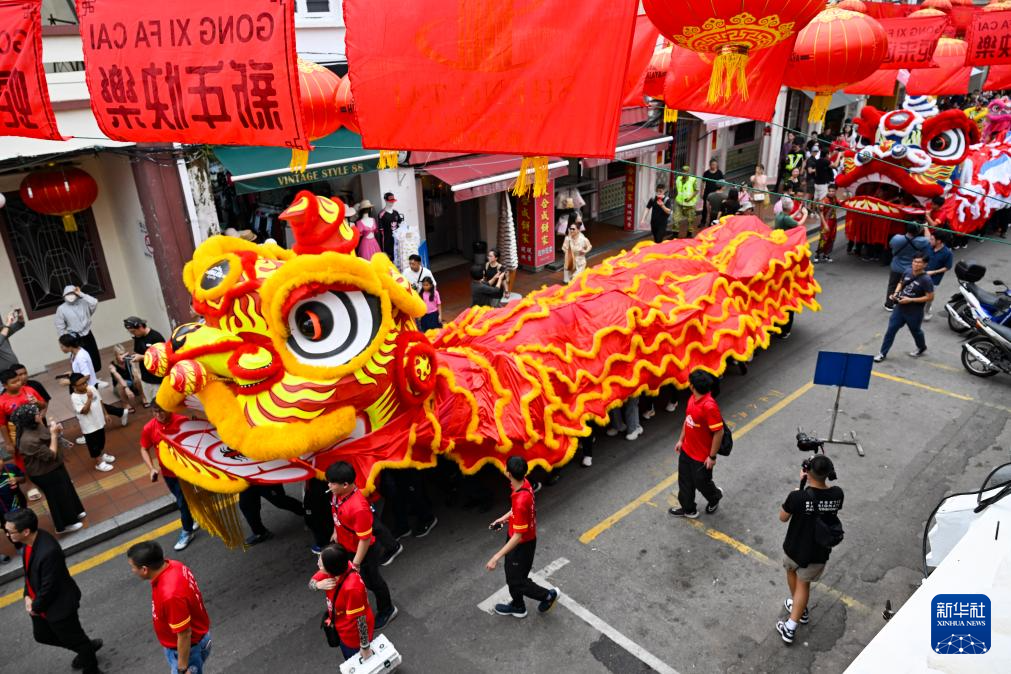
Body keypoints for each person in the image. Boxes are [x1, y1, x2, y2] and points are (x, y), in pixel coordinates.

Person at [5, 508, 103, 673]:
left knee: (76, 639)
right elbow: (30, 573)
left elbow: (49, 586)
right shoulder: (29, 544)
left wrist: (35, 607)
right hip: (40, 604)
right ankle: (86, 648)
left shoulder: (48, 552)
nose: (8, 535)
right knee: (43, 636)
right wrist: (27, 595)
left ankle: (90, 665)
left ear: (26, 531)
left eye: (10, 532)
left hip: (58, 606)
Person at [776, 455, 844, 645]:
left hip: (795, 548)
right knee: (803, 584)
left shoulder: (798, 497)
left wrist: (798, 491)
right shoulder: (838, 494)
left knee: (793, 574)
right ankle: (800, 609)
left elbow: (783, 517)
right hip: (818, 552)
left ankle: (790, 626)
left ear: (807, 472)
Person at [325, 461, 398, 629]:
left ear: (345, 484)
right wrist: (336, 532)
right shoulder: (337, 493)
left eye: (332, 483)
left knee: (373, 581)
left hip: (364, 552)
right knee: (362, 581)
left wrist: (356, 563)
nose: (329, 485)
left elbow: (365, 539)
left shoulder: (358, 508)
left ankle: (387, 609)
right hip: (348, 546)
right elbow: (336, 511)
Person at [485, 455, 558, 618]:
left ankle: (547, 595)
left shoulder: (520, 499)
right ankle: (518, 605)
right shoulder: (523, 484)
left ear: (509, 473)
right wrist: (503, 519)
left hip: (521, 545)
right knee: (513, 576)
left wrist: (495, 557)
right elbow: (517, 512)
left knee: (517, 581)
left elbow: (518, 536)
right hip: (521, 540)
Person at [127, 540, 211, 674]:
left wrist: (182, 668)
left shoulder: (170, 596)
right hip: (195, 642)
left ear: (144, 569)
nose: (132, 570)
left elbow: (184, 634)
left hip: (187, 652)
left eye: (133, 567)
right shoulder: (174, 565)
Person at [10, 404, 86, 534]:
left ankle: (75, 512)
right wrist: (54, 435)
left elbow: (49, 438)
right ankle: (64, 525)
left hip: (54, 467)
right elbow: (51, 455)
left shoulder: (36, 426)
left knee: (66, 489)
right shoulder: (27, 440)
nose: (40, 415)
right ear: (30, 419)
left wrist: (57, 431)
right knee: (57, 497)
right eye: (37, 414)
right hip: (44, 473)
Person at [139, 405, 199, 551]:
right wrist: (151, 468)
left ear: (168, 409)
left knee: (182, 501)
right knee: (183, 498)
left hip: (185, 471)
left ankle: (187, 531)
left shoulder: (182, 421)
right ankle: (193, 518)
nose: (158, 414)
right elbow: (144, 448)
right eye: (155, 411)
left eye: (161, 410)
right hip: (168, 473)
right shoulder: (149, 428)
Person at [669, 370, 724, 519]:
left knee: (702, 483)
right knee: (685, 482)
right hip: (687, 451)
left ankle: (715, 497)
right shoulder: (692, 399)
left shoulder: (709, 406)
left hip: (702, 457)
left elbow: (719, 432)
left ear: (692, 386)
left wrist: (712, 457)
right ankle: (688, 509)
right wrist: (681, 440)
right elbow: (688, 420)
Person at [310, 545, 376, 662]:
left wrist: (365, 647)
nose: (317, 564)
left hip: (352, 637)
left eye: (321, 563)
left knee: (357, 663)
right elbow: (311, 583)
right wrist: (318, 585)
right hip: (341, 628)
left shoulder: (352, 589)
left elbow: (361, 620)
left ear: (331, 569)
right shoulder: (339, 566)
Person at [58, 333, 129, 427]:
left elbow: (86, 376)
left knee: (87, 408)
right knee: (96, 405)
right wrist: (72, 373)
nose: (61, 348)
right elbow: (81, 370)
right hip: (82, 385)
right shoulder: (75, 353)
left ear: (69, 345)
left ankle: (91, 431)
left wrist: (69, 382)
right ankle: (121, 412)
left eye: (62, 346)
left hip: (86, 386)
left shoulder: (80, 357)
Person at [874, 252, 934, 362]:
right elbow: (901, 283)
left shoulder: (926, 280)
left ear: (925, 265)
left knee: (916, 331)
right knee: (891, 330)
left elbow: (930, 297)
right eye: (914, 261)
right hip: (900, 309)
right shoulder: (907, 271)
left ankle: (921, 347)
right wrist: (896, 293)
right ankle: (882, 353)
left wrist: (910, 300)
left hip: (914, 311)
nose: (916, 264)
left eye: (919, 263)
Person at [69, 373, 116, 472]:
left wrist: (106, 414)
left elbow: (100, 401)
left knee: (101, 441)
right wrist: (89, 398)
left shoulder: (92, 388)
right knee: (93, 446)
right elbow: (84, 411)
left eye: (85, 382)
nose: (85, 385)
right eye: (81, 384)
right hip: (89, 427)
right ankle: (99, 463)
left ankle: (102, 455)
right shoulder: (75, 397)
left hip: (99, 421)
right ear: (74, 387)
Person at [0, 367, 47, 461]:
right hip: (18, 435)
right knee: (26, 460)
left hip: (37, 428)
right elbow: (2, 424)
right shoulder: (1, 401)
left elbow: (43, 405)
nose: (18, 383)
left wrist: (37, 402)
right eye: (14, 382)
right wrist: (8, 443)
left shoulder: (29, 390)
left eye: (18, 380)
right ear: (5, 385)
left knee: (45, 453)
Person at [239, 484, 306, 546]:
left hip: (265, 476)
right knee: (246, 504)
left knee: (279, 500)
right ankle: (260, 532)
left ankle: (309, 513)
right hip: (246, 478)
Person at [884, 223, 930, 310]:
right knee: (907, 287)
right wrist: (926, 227)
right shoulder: (921, 241)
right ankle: (902, 303)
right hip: (910, 269)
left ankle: (889, 304)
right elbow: (929, 239)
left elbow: (890, 245)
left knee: (893, 286)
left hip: (896, 267)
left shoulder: (896, 238)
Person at [54, 286, 101, 371]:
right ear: (64, 295)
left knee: (93, 355)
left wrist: (81, 294)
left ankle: (95, 377)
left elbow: (94, 302)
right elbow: (59, 326)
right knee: (80, 358)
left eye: (72, 293)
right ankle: (84, 378)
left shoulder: (83, 302)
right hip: (74, 336)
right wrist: (63, 341)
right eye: (68, 294)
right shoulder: (61, 308)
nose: (70, 296)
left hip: (87, 333)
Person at [124, 317, 166, 405]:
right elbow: (137, 352)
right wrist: (132, 357)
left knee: (161, 405)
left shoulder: (156, 337)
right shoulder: (138, 337)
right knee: (152, 405)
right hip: (145, 378)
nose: (133, 334)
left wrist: (143, 357)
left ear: (140, 327)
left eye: (133, 331)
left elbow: (163, 357)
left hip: (157, 379)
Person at [0, 460, 26, 563]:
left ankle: (30, 539)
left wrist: (16, 479)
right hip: (2, 511)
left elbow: (23, 479)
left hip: (18, 503)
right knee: (9, 528)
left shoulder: (10, 468)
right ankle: (19, 546)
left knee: (24, 521)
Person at [924, 230, 953, 320]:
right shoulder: (928, 247)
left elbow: (947, 267)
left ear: (939, 241)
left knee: (929, 297)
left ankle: (926, 312)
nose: (930, 241)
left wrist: (933, 272)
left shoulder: (947, 253)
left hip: (934, 279)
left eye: (932, 239)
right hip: (921, 274)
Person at [814, 184, 841, 263]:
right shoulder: (824, 200)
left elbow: (840, 203)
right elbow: (821, 213)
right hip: (826, 221)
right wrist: (825, 224)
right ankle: (817, 255)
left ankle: (826, 255)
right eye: (829, 191)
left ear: (836, 191)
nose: (831, 192)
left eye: (833, 191)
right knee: (824, 238)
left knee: (831, 238)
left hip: (834, 221)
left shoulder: (834, 198)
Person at [108, 346, 140, 411]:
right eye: (120, 354)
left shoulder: (128, 360)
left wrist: (131, 363)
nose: (123, 356)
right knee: (121, 384)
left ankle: (144, 398)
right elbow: (119, 378)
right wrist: (126, 388)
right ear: (115, 355)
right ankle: (125, 404)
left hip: (131, 383)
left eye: (123, 353)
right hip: (120, 386)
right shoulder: (112, 366)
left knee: (138, 377)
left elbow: (135, 372)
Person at [562, 218, 592, 283]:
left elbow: (589, 246)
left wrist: (585, 251)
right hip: (569, 260)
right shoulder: (567, 238)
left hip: (580, 260)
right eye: (570, 229)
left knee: (575, 279)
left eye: (573, 229)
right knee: (566, 281)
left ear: (578, 230)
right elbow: (564, 248)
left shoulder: (583, 239)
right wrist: (569, 240)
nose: (571, 230)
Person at [673, 169, 699, 238]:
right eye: (683, 171)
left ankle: (689, 234)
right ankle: (675, 234)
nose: (684, 173)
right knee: (676, 218)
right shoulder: (678, 179)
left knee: (690, 219)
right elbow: (677, 189)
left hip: (689, 204)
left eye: (686, 171)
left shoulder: (693, 180)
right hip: (679, 202)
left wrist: (689, 198)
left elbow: (696, 191)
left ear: (688, 172)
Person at [377, 192, 404, 260]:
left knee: (399, 259)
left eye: (393, 201)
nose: (392, 203)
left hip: (397, 241)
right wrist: (383, 248)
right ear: (385, 200)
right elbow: (381, 233)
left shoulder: (396, 212)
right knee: (390, 260)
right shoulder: (381, 214)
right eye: (390, 201)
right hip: (388, 242)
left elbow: (401, 225)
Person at [700, 160, 724, 228]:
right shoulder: (706, 173)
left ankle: (714, 221)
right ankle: (703, 221)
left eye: (715, 164)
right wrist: (702, 192)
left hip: (715, 193)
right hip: (707, 192)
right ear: (710, 165)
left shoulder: (719, 173)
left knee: (715, 208)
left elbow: (722, 183)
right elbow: (703, 183)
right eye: (713, 164)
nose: (714, 166)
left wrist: (721, 191)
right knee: (705, 208)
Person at [1, 308, 24, 373]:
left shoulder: (1, 331)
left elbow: (19, 325)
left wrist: (20, 317)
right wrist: (8, 323)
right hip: (3, 375)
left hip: (15, 370)